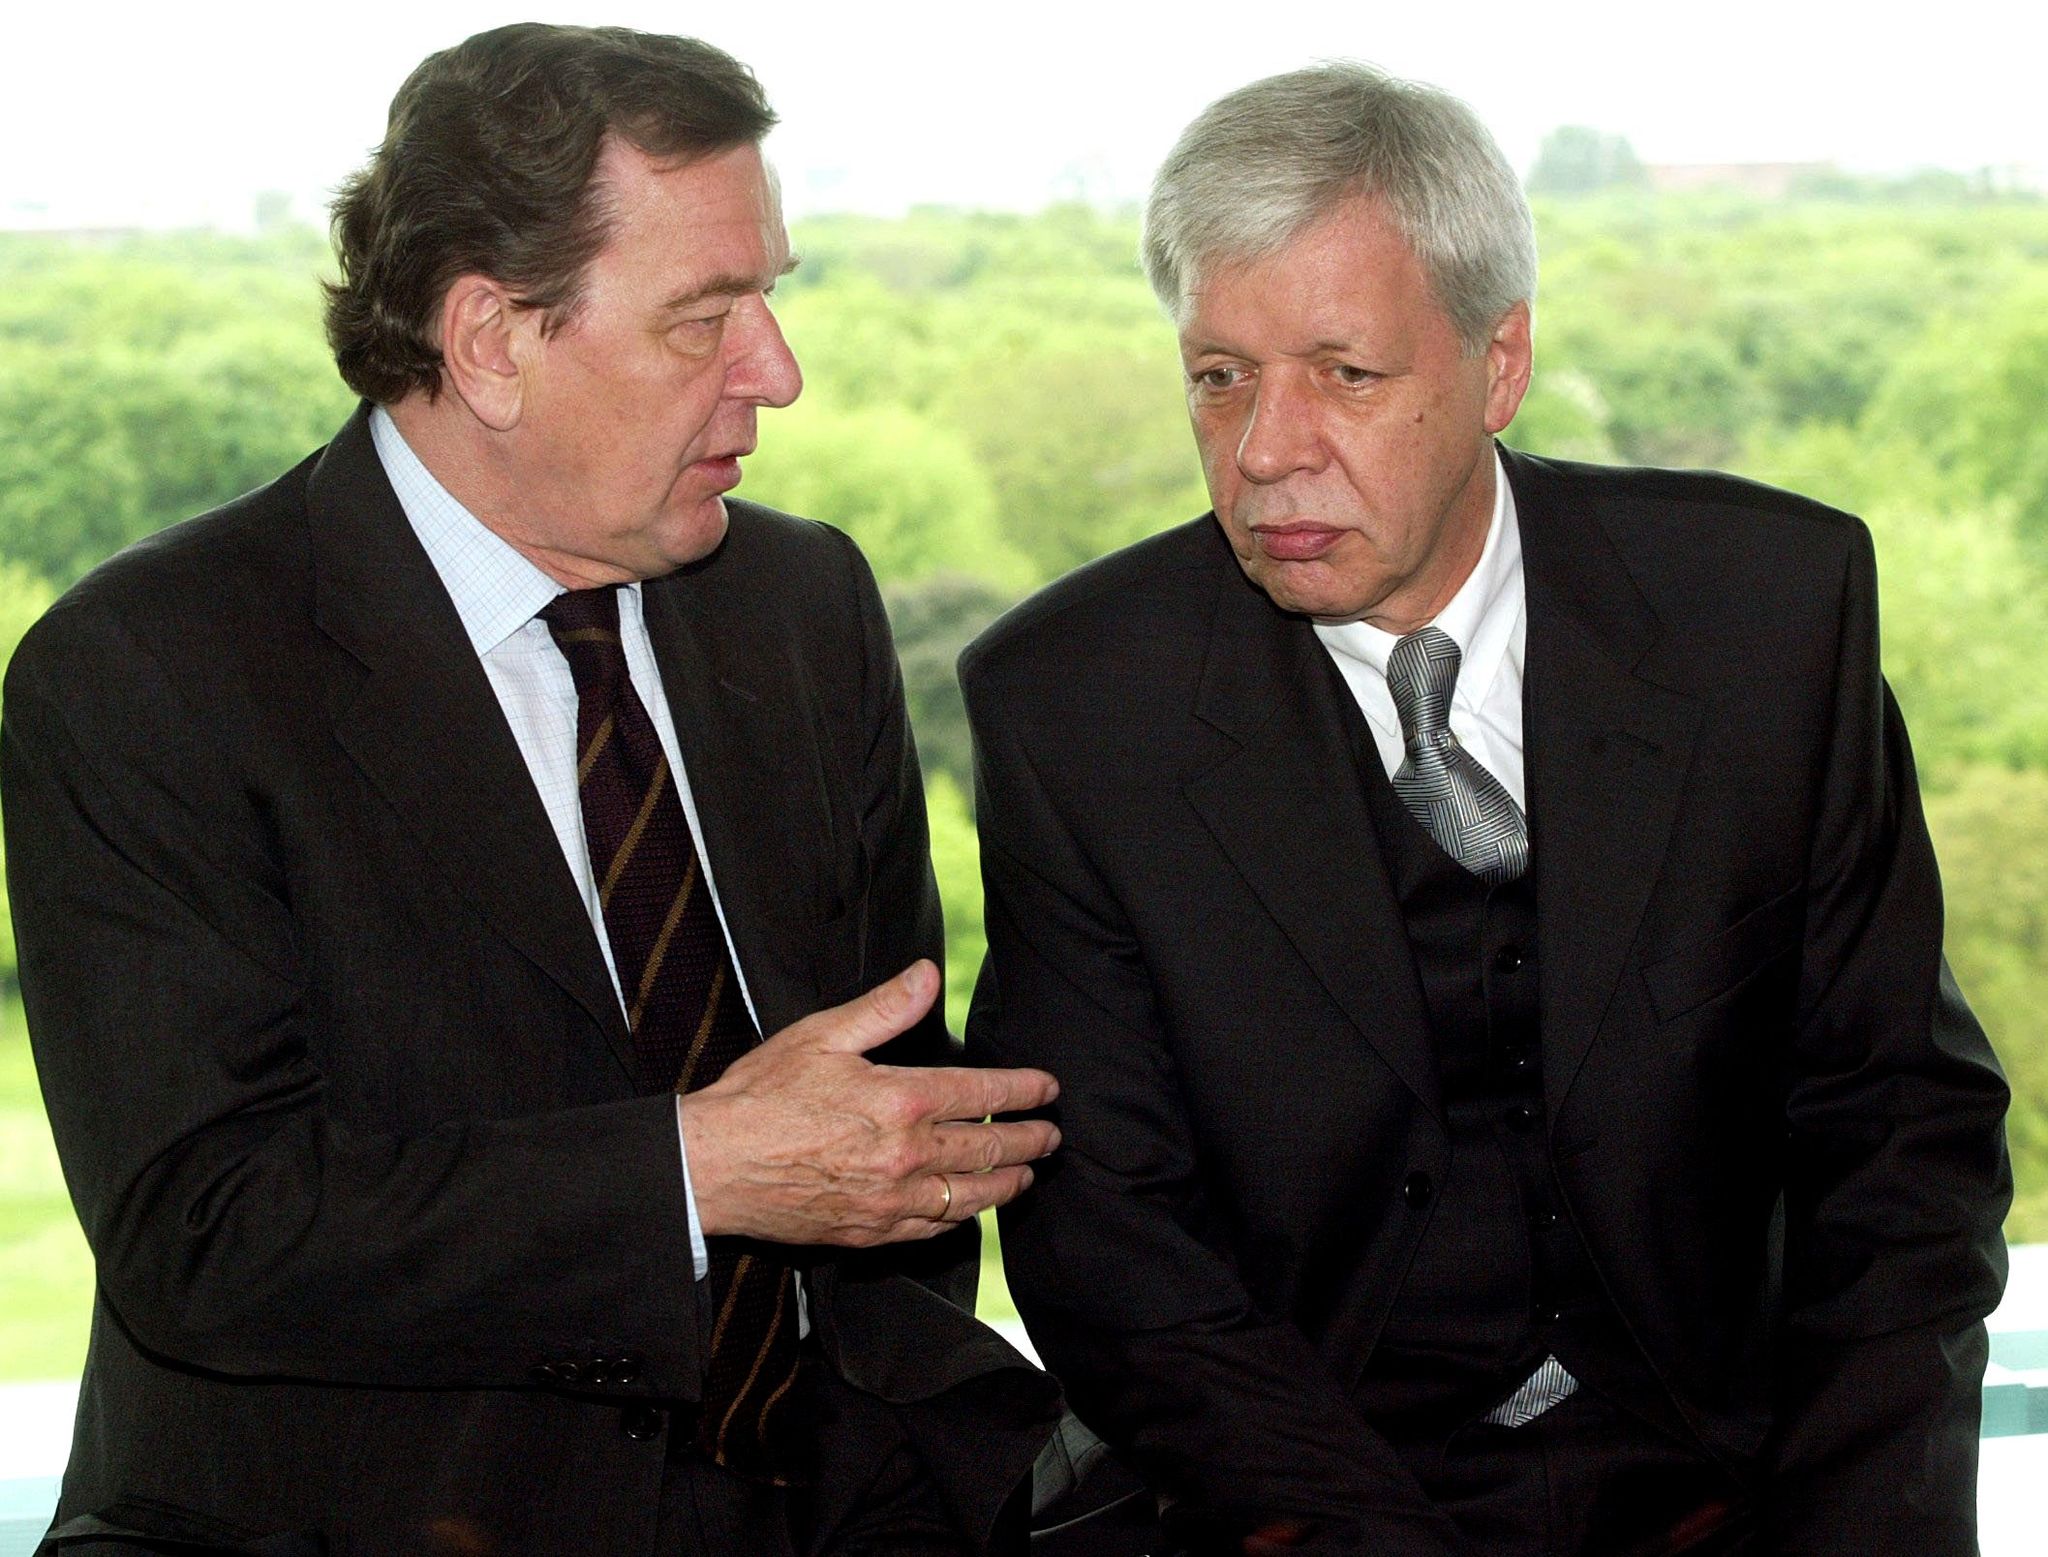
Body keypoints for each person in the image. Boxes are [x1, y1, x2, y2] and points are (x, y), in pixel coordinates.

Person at [3, 23, 1063, 1556]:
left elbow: (888, 1104)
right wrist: (696, 1171)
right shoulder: (150, 671)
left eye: (771, 295)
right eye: (707, 318)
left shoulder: (804, 601)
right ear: (492, 340)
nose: (780, 370)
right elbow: (207, 1227)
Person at [960, 63, 2010, 1556]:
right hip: (1301, 1510)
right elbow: (1112, 1248)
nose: (1265, 450)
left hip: (1740, 1480)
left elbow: (1902, 1144)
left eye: (1345, 372)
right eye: (1219, 374)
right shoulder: (1072, 702)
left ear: (1498, 364)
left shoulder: (1768, 617)